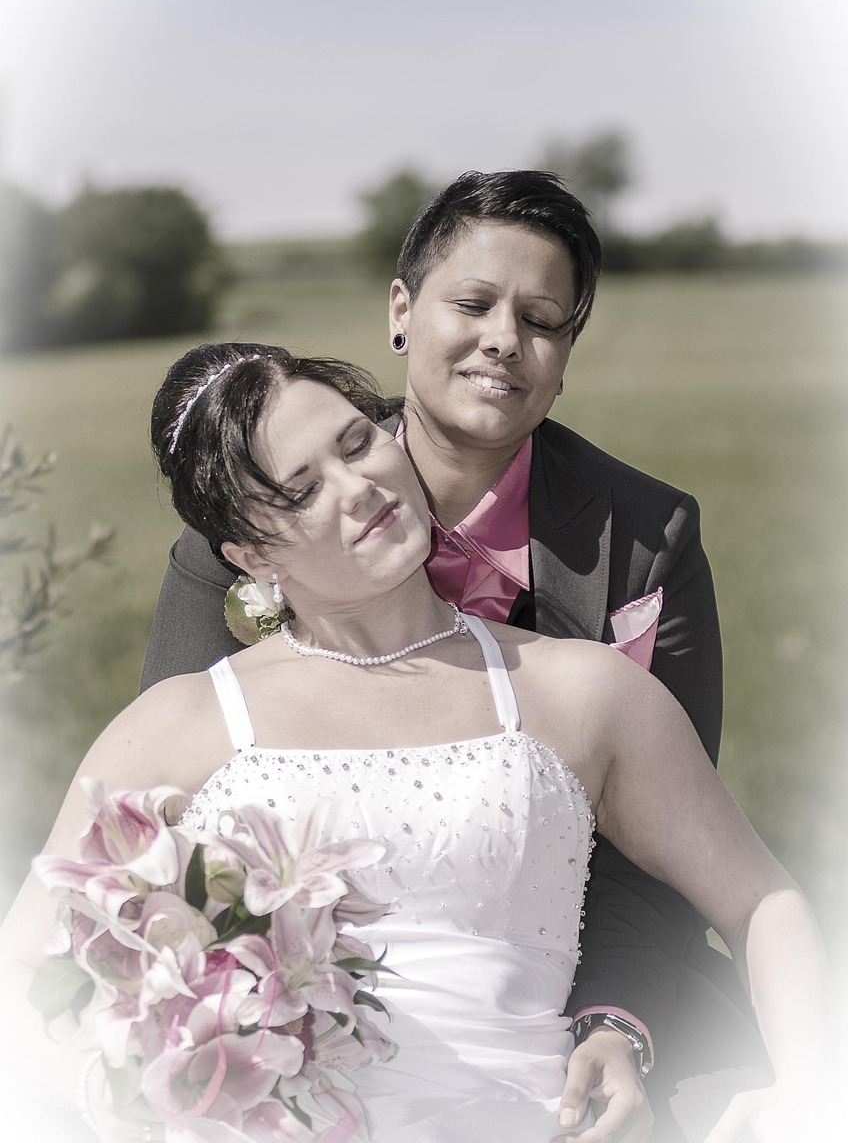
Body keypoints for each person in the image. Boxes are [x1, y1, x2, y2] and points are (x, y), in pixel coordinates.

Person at [0, 343, 828, 1143]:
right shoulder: (175, 727)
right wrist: (138, 1096)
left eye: (357, 443)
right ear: (248, 556)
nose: (358, 487)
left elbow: (762, 901)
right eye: (302, 490)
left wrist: (807, 1093)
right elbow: (23, 978)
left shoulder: (578, 691)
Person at [141, 172, 746, 1140]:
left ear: (565, 355)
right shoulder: (257, 514)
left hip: (561, 988)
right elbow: (170, 816)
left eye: (541, 320)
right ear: (400, 310)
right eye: (472, 304)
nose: (504, 339)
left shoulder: (647, 537)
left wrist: (614, 1021)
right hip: (294, 1019)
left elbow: (664, 844)